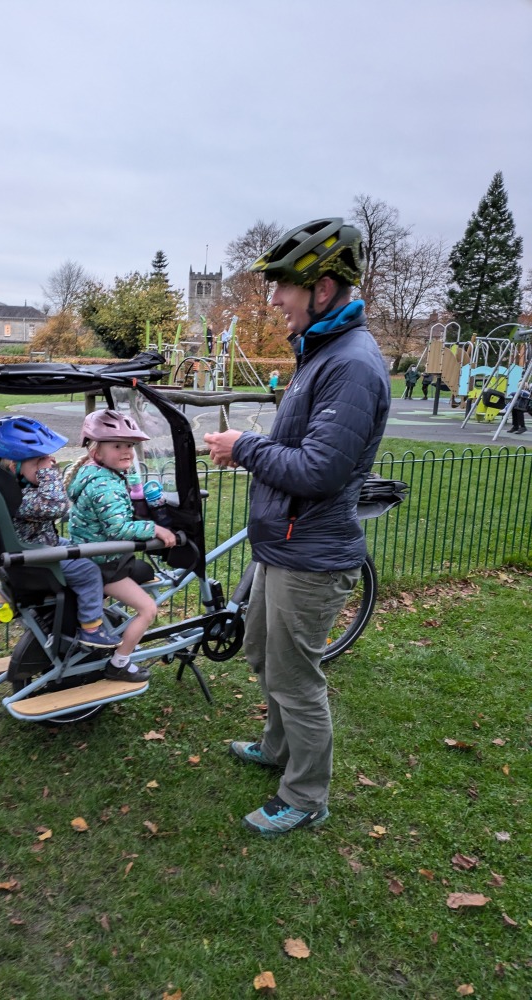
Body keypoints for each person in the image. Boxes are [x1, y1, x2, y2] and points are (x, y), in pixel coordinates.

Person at [204, 218, 390, 837]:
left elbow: (320, 469)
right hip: (282, 547)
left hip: (310, 556)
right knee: (263, 654)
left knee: (296, 678)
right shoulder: (321, 353)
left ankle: (306, 796)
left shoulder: (352, 365)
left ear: (325, 288)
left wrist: (245, 446)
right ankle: (277, 748)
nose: (274, 300)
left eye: (283, 286)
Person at [0, 416, 121, 651]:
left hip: (35, 544)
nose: (49, 463)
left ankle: (8, 593)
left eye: (48, 458)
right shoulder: (20, 499)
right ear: (12, 466)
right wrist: (49, 475)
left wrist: (41, 468)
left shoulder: (8, 488)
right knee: (88, 571)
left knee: (83, 548)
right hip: (35, 556)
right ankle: (92, 628)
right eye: (40, 460)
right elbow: (57, 505)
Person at [65, 409, 177, 683]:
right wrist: (155, 528)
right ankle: (120, 663)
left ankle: (115, 631)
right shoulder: (105, 485)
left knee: (142, 573)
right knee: (148, 609)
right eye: (117, 445)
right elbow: (119, 529)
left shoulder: (93, 473)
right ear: (97, 452)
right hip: (104, 562)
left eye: (129, 445)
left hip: (98, 555)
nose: (127, 451)